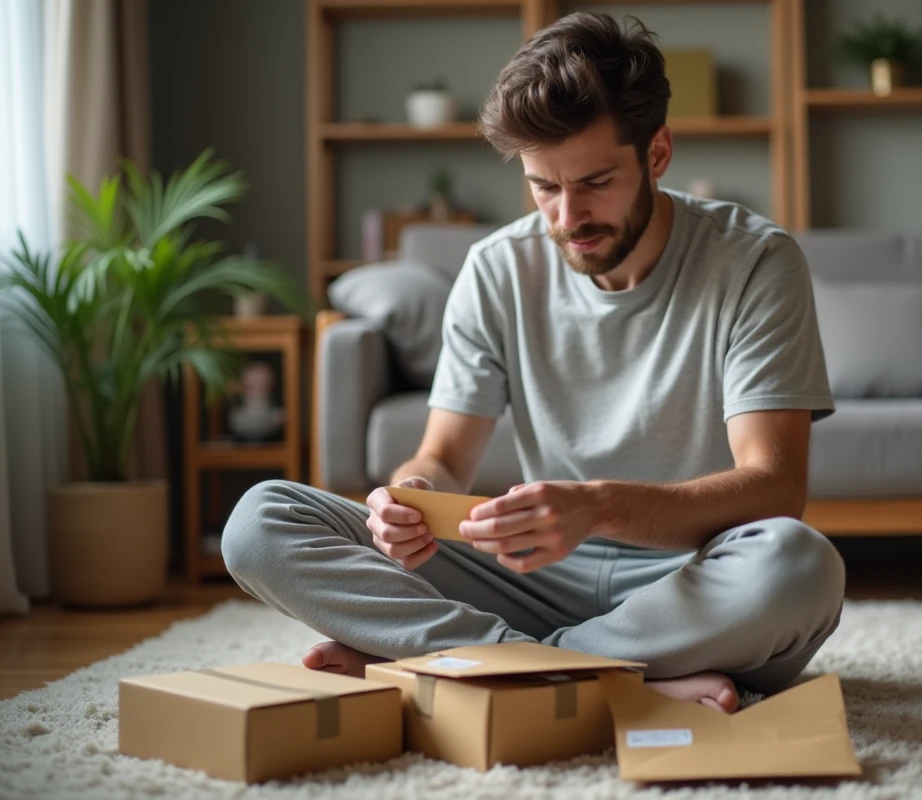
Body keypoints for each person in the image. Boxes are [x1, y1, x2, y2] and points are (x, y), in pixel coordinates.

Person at [222, 11, 843, 714]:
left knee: (799, 566)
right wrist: (409, 499)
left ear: (658, 152)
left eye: (596, 181)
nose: (568, 215)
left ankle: (461, 665)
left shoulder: (757, 260)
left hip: (692, 578)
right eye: (544, 186)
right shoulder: (496, 268)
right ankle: (602, 678)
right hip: (533, 577)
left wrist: (598, 507)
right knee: (259, 521)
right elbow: (442, 459)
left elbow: (775, 485)